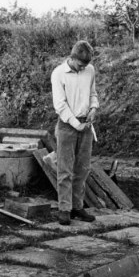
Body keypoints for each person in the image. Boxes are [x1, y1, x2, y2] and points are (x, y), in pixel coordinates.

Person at [51, 40, 99, 226]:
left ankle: (78, 207)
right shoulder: (58, 74)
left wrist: (94, 108)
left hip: (86, 124)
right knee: (65, 169)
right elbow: (60, 105)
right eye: (80, 64)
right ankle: (64, 209)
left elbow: (92, 93)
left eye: (86, 65)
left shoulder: (90, 70)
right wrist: (75, 123)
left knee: (83, 168)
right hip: (66, 125)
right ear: (72, 58)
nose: (83, 68)